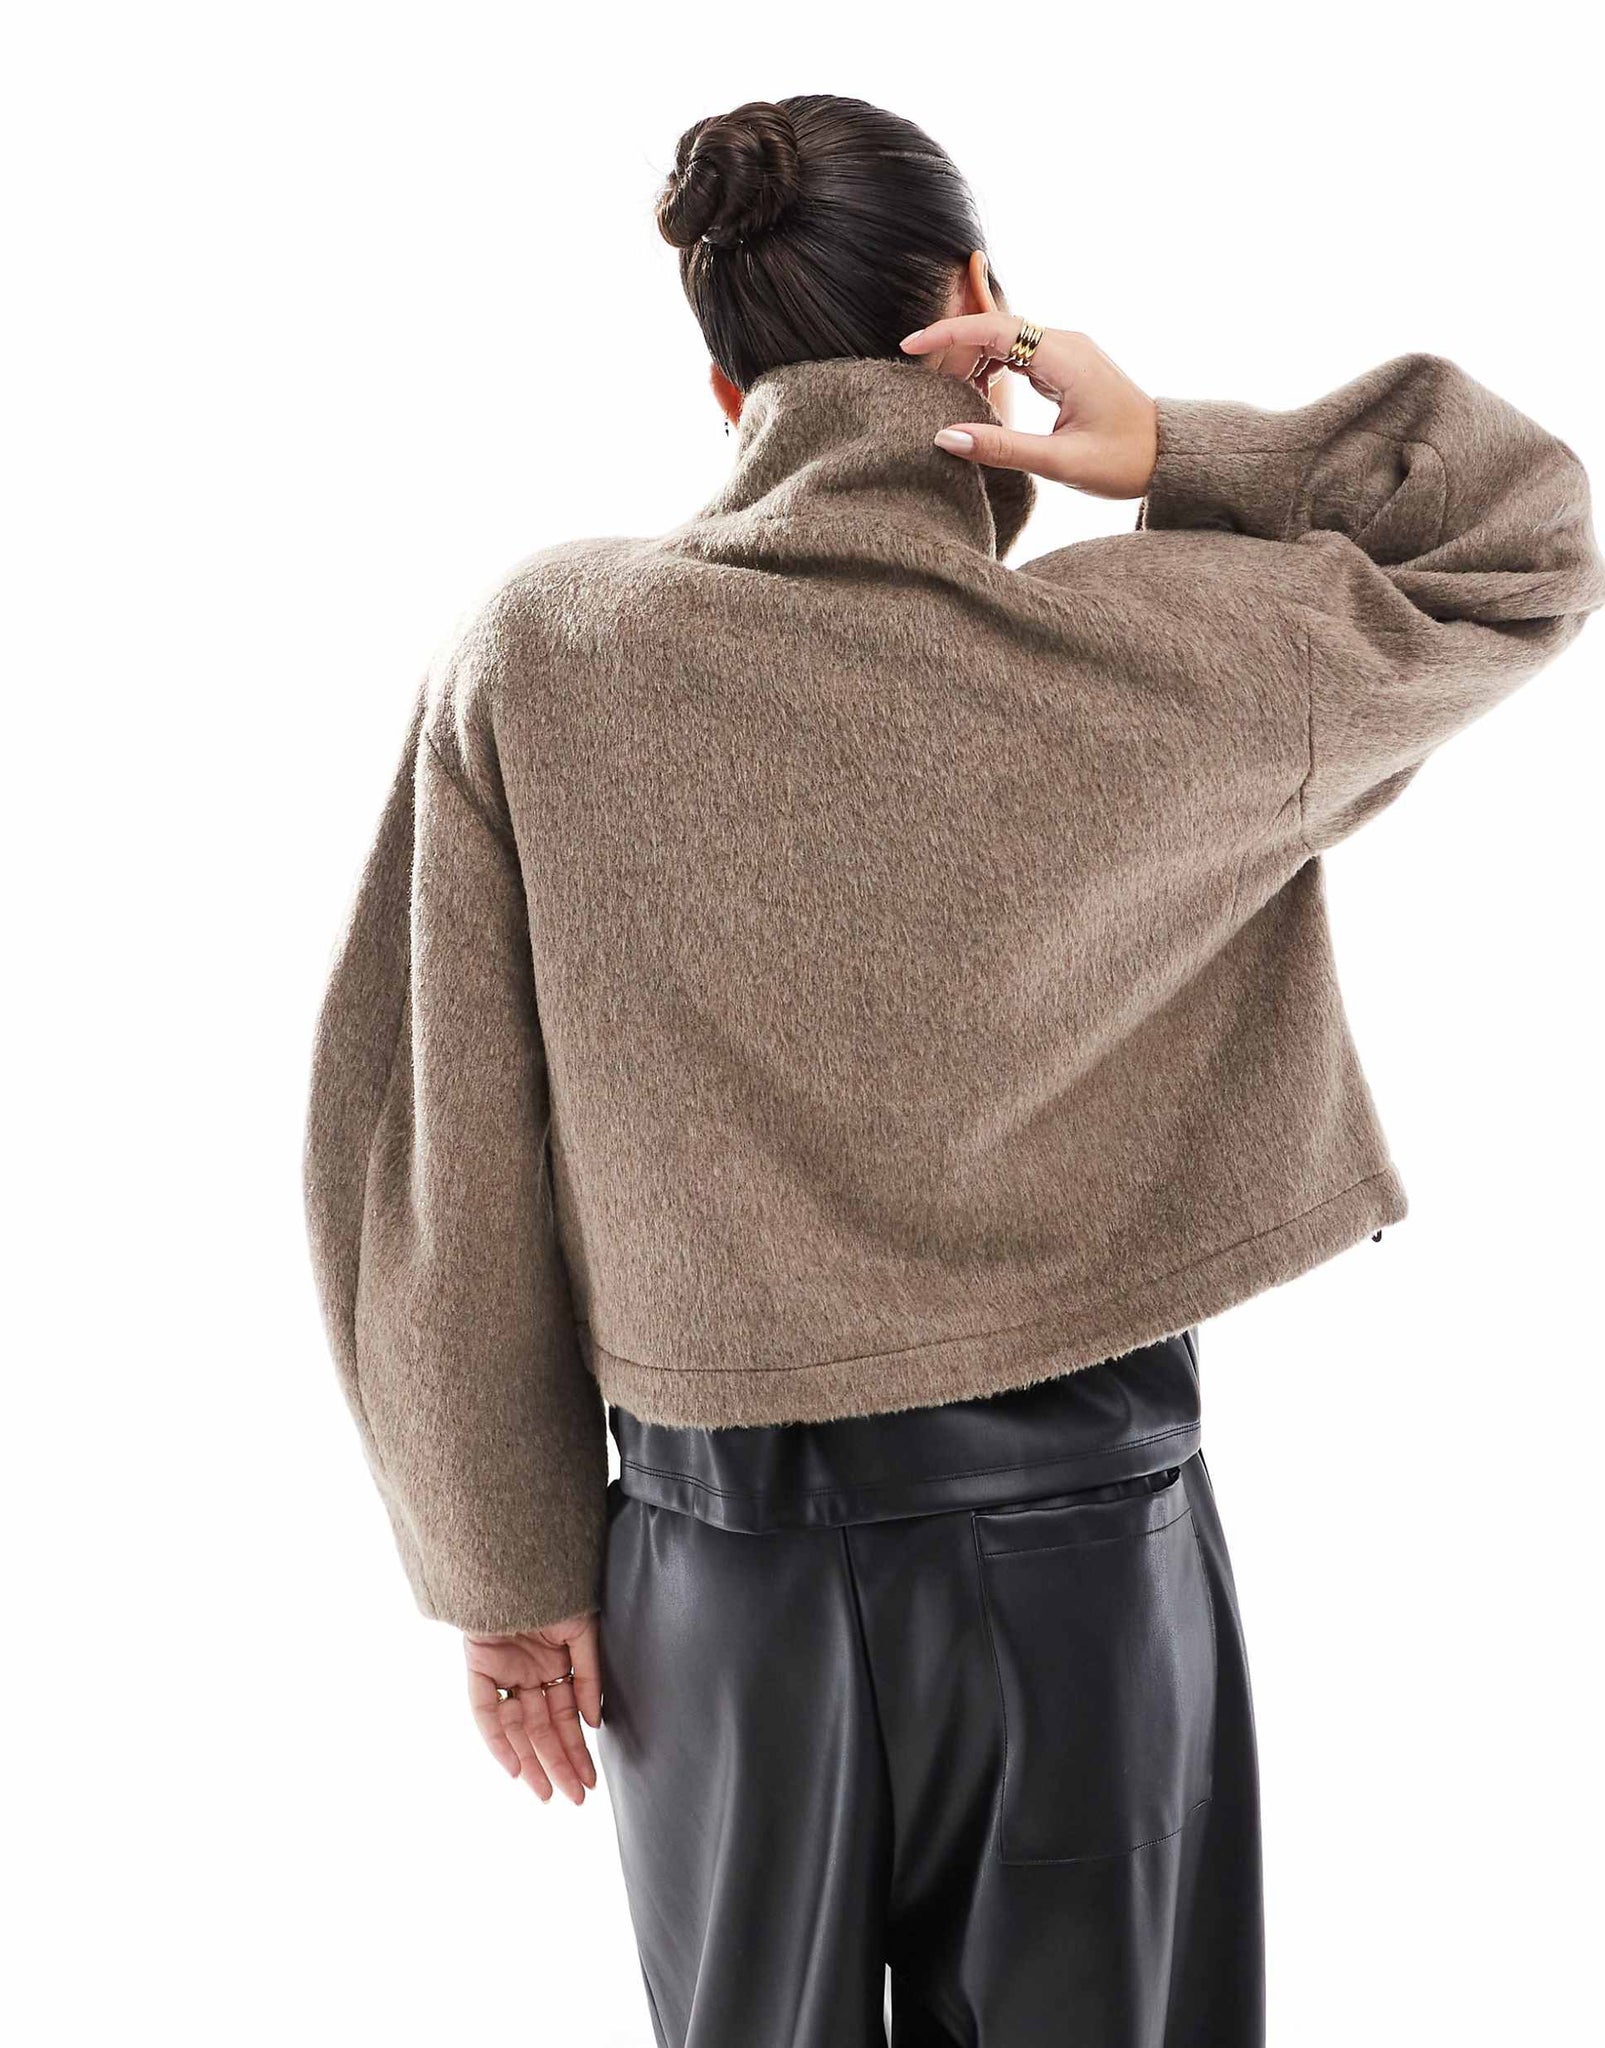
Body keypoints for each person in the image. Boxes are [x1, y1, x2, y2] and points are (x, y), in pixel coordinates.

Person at [303, 92, 1603, 2048]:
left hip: (714, 1562)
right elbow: (1519, 534)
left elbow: (428, 1148)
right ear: (979, 304)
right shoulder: (1165, 657)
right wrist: (1167, 448)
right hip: (1088, 1553)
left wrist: (501, 1559)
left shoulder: (545, 655)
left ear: (723, 382)